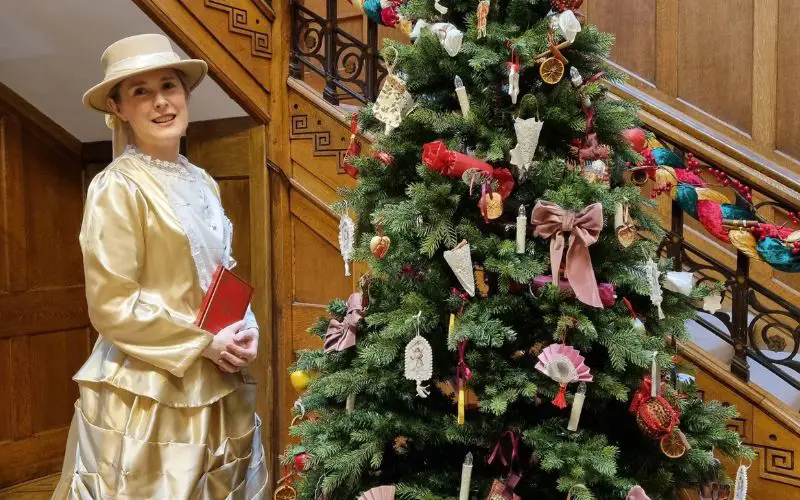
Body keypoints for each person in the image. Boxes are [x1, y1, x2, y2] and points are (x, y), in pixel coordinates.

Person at [52, 34, 267, 499]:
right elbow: (112, 306)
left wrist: (244, 328)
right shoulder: (117, 188)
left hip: (216, 382)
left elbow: (221, 272)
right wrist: (204, 343)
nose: (161, 102)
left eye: (169, 86)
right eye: (140, 92)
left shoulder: (203, 180)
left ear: (185, 94)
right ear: (118, 108)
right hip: (146, 395)